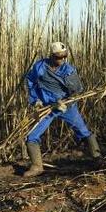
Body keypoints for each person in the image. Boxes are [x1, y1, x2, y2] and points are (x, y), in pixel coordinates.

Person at [22, 42, 101, 177]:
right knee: (32, 136)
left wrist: (66, 101)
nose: (62, 60)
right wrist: (35, 100)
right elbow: (30, 81)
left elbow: (77, 90)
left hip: (66, 107)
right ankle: (36, 167)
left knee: (83, 132)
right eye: (59, 57)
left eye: (64, 56)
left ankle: (98, 159)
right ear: (51, 56)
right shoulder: (40, 67)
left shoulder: (69, 70)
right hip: (47, 108)